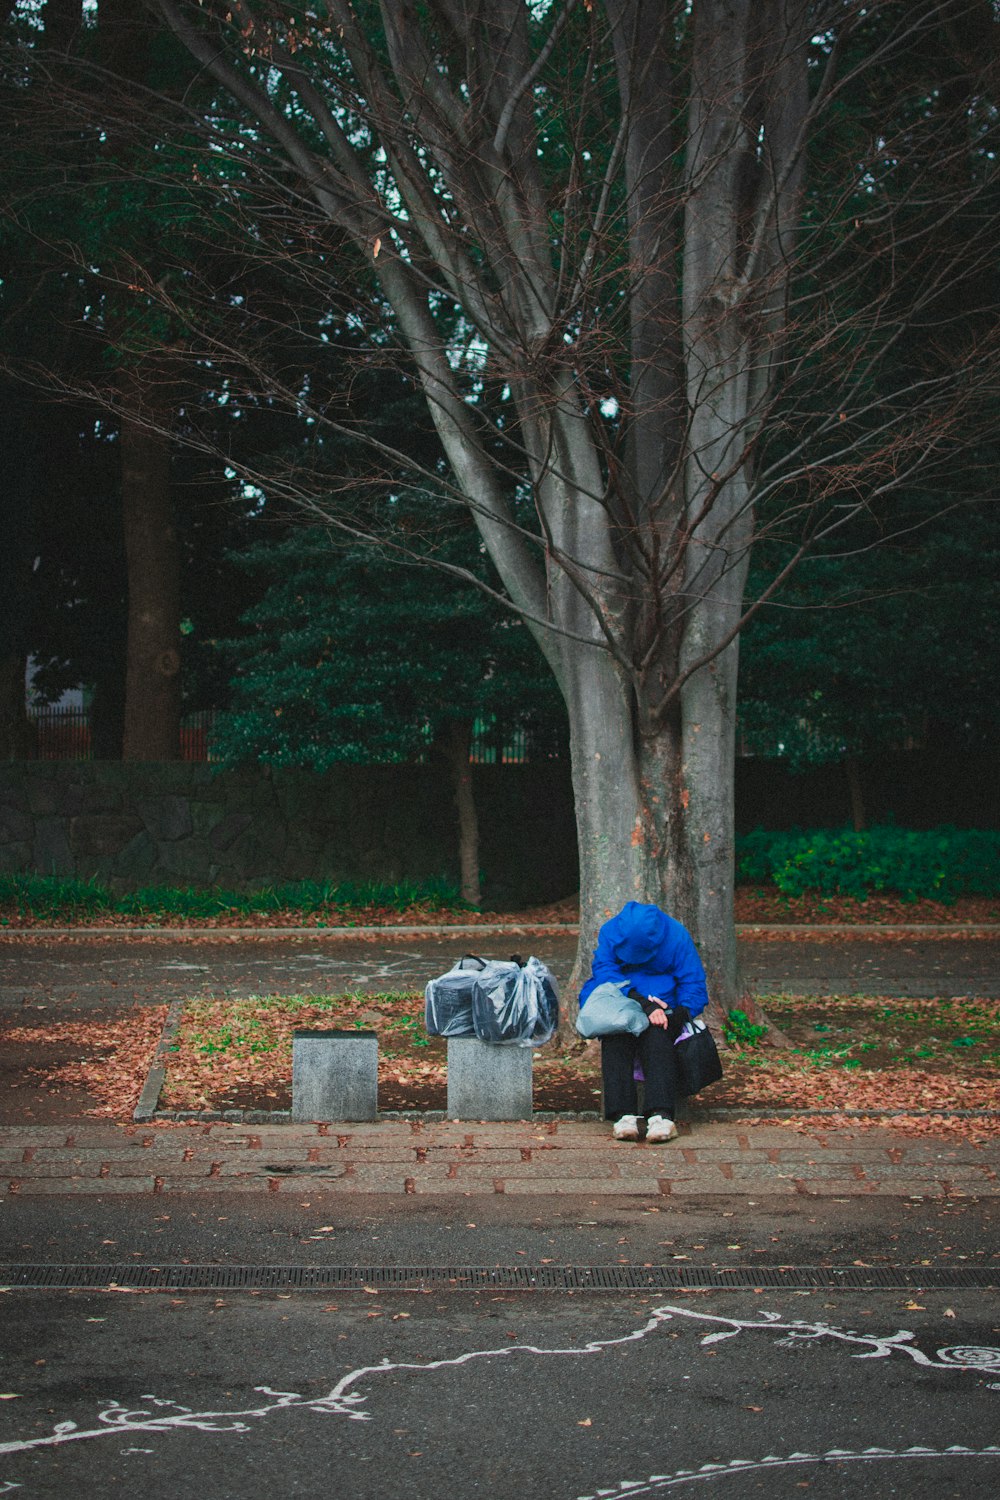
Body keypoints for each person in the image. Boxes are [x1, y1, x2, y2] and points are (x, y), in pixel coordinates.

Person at [579, 900, 709, 1143]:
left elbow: (693, 983)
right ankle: (623, 1115)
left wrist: (677, 1013)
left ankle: (661, 1115)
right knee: (616, 1038)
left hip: (666, 1005)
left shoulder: (677, 936)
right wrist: (642, 1003)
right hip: (622, 1001)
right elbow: (605, 972)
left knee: (657, 1039)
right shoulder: (610, 932)